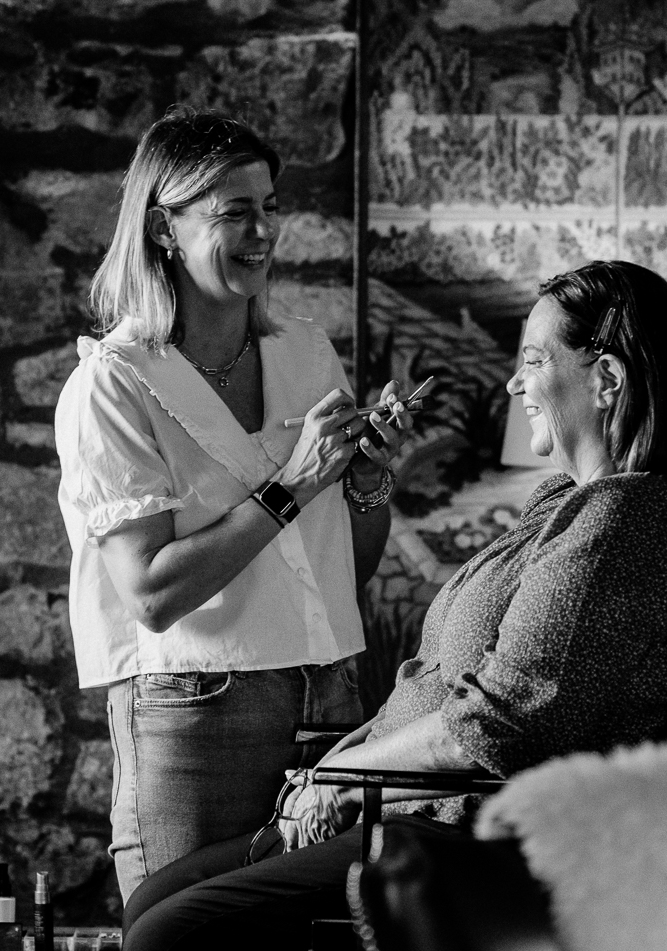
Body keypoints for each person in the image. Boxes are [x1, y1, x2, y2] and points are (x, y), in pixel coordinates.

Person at [121, 259, 667, 951]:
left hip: (464, 836)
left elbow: (503, 720)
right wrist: (328, 774)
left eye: (533, 361)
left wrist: (339, 781)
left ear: (607, 380)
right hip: (410, 807)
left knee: (168, 932)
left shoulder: (629, 521)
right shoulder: (569, 504)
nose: (516, 383)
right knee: (153, 903)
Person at [55, 108, 422, 903]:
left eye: (270, 206)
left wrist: (364, 480)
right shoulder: (113, 386)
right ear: (163, 229)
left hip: (330, 689)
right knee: (185, 932)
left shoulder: (304, 349)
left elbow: (341, 574)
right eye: (233, 212)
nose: (263, 231)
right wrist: (294, 484)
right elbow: (152, 593)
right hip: (196, 710)